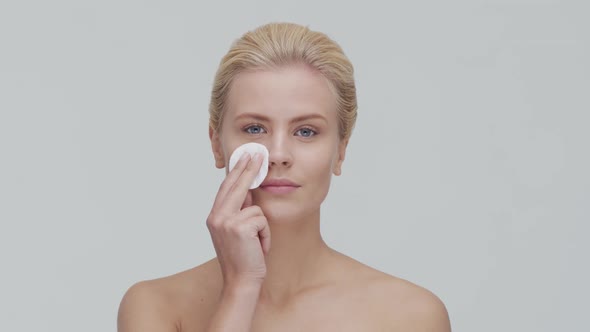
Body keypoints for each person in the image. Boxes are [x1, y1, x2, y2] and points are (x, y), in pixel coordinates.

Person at [117, 22, 451, 332]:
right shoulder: (155, 306)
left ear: (341, 151)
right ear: (217, 145)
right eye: (254, 128)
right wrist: (241, 289)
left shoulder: (410, 315)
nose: (278, 154)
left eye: (306, 131)